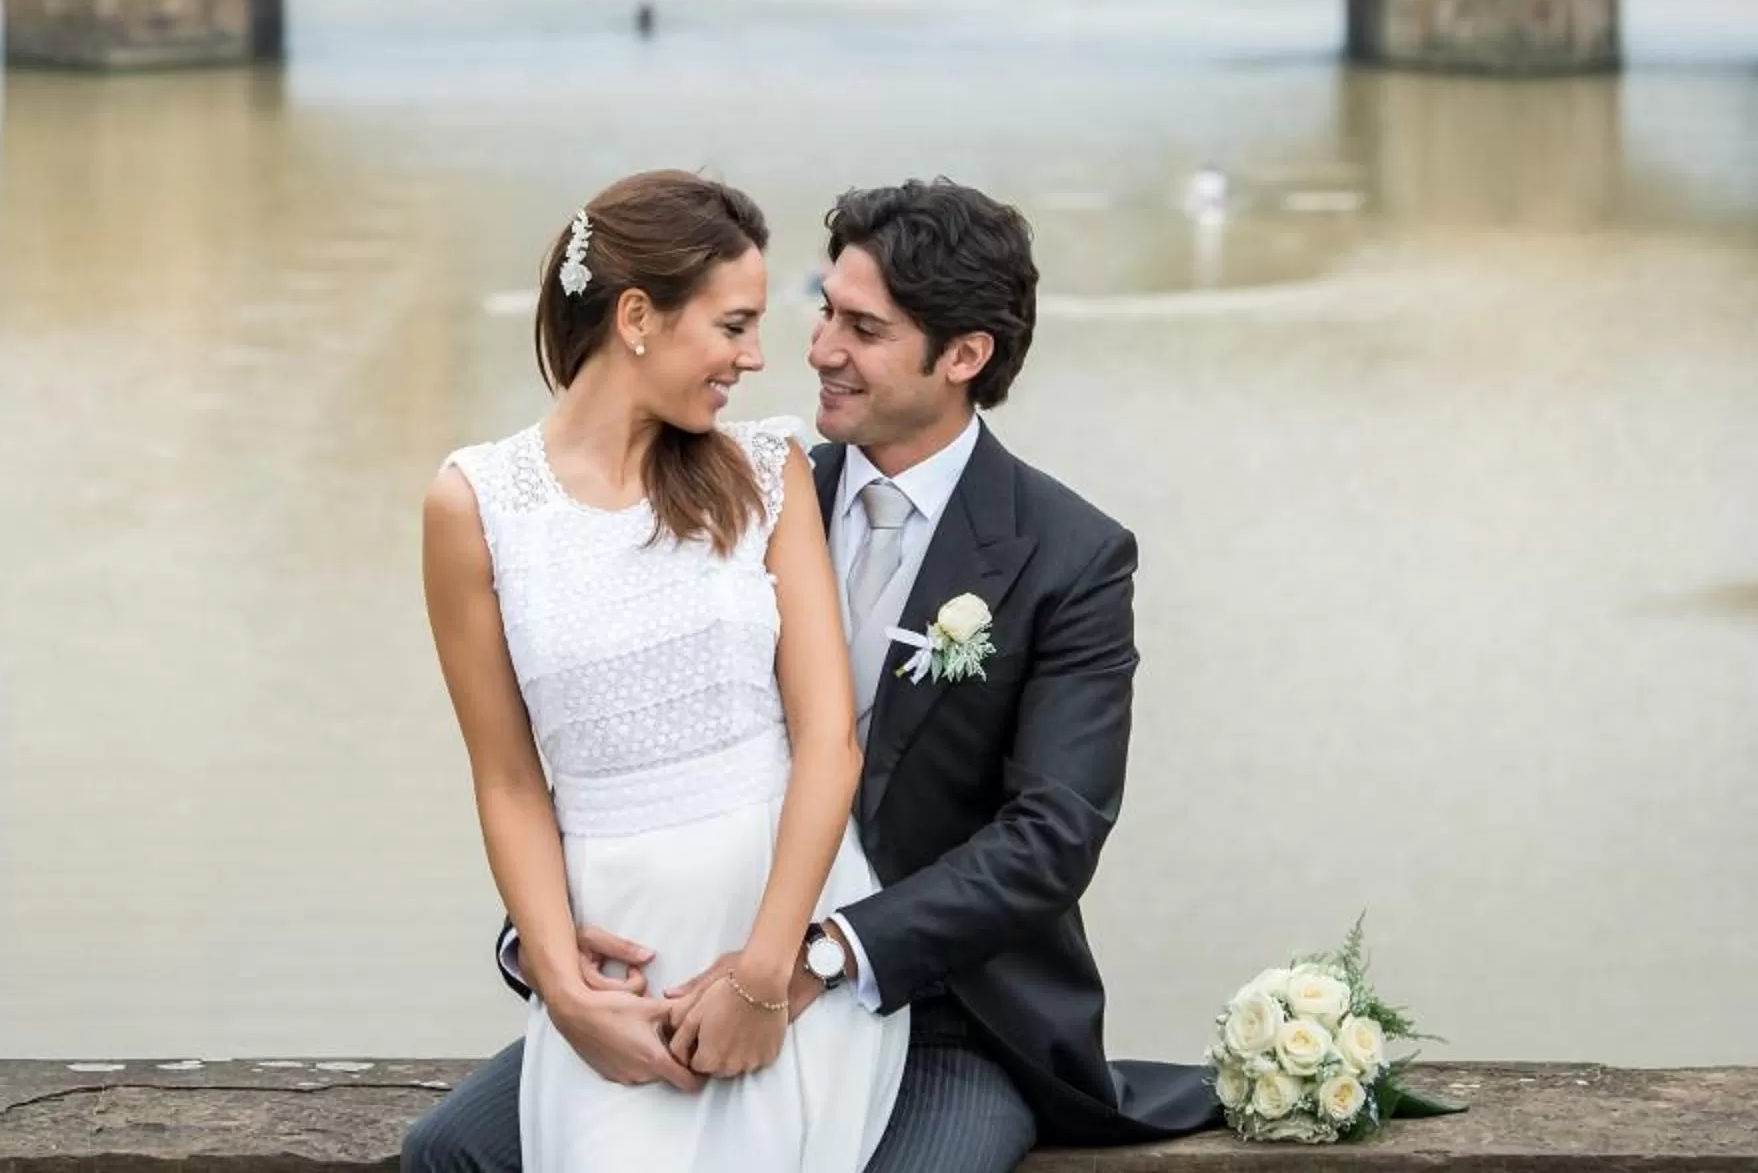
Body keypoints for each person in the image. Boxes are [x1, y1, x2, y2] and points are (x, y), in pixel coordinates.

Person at [406, 178, 1216, 1173]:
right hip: (693, 960)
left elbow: (1051, 837)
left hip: (944, 1005)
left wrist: (811, 960)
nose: (816, 346)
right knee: (448, 1150)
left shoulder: (1067, 554)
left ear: (962, 355)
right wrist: (548, 950)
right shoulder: (748, 473)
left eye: (862, 327)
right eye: (824, 307)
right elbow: (608, 731)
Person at [418, 171, 908, 1173]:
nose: (756, 356)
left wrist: (766, 976)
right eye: (732, 323)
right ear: (637, 314)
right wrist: (561, 983)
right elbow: (508, 777)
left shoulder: (767, 472)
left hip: (778, 928)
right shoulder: (475, 503)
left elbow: (828, 741)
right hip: (615, 958)